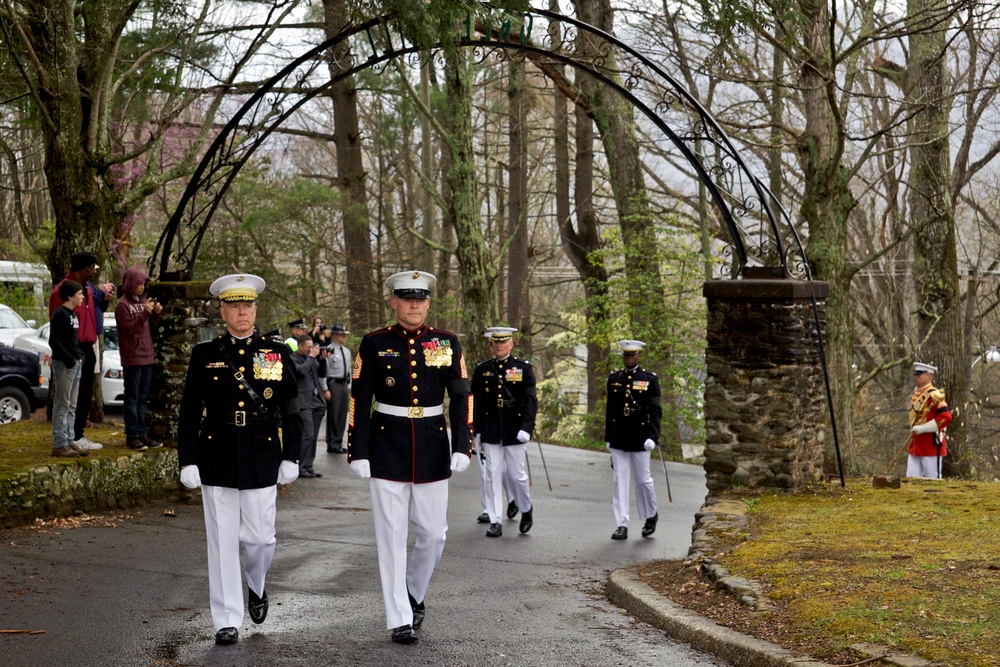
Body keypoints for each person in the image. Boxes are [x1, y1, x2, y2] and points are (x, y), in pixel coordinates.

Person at [177, 273, 303, 646]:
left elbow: (292, 410)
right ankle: (227, 618)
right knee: (221, 541)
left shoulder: (276, 353)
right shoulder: (205, 354)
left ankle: (256, 583)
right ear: (222, 310)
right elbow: (188, 413)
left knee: (261, 539)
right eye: (234, 306)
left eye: (247, 305)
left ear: (256, 308)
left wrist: (291, 455)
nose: (242, 312)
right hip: (216, 454)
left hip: (262, 451)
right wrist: (188, 460)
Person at [347, 270, 473, 644]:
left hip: (433, 444)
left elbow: (461, 396)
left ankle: (413, 592)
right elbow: (359, 399)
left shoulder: (447, 342)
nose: (414, 305)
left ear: (428, 303)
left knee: (434, 536)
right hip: (386, 445)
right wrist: (358, 449)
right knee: (390, 535)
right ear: (394, 302)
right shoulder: (373, 343)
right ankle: (398, 616)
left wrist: (463, 444)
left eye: (421, 299)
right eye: (407, 299)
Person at [471, 326, 538, 537]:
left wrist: (527, 428)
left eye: (503, 342)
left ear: (511, 343)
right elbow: (476, 402)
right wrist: (475, 431)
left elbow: (530, 401)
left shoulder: (523, 369)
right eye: (495, 342)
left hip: (515, 430)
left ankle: (526, 509)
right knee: (491, 475)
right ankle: (495, 519)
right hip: (491, 430)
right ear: (491, 345)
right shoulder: (482, 369)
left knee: (517, 476)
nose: (499, 346)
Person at [48, 251, 106, 451]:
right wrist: (69, 356)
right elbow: (57, 328)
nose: (93, 272)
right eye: (91, 268)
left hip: (86, 348)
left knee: (81, 396)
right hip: (71, 350)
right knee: (66, 400)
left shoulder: (87, 289)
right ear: (82, 268)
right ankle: (63, 439)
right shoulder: (62, 291)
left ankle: (75, 435)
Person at [604, 340, 661, 541]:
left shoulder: (649, 379)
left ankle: (650, 515)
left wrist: (653, 436)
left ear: (638, 356)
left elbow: (655, 412)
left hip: (640, 437)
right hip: (619, 437)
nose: (629, 358)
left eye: (632, 355)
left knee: (643, 480)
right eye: (626, 355)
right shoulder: (614, 379)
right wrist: (608, 438)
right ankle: (622, 524)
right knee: (620, 481)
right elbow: (610, 411)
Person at [114, 268, 164, 451]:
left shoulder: (144, 301)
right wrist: (144, 313)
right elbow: (128, 330)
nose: (143, 288)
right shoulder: (122, 306)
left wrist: (156, 313)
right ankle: (132, 435)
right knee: (132, 398)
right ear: (131, 285)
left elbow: (150, 326)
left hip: (146, 355)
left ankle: (142, 433)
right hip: (132, 357)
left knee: (142, 398)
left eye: (144, 284)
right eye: (140, 284)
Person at [49, 280, 87, 458]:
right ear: (70, 296)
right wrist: (70, 360)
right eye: (79, 294)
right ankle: (59, 443)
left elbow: (72, 341)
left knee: (72, 405)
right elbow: (54, 341)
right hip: (65, 365)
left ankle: (70, 439)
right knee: (62, 404)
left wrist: (80, 356)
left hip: (75, 363)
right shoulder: (60, 314)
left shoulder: (74, 315)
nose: (82, 297)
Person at [290, 334, 330, 478]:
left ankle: (308, 465)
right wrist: (311, 357)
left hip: (316, 399)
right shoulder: (293, 359)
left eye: (312, 346)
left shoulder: (311, 358)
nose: (310, 349)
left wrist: (323, 360)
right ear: (300, 346)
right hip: (303, 402)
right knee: (307, 434)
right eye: (308, 347)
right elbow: (301, 372)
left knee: (313, 436)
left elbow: (320, 373)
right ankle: (300, 467)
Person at [908, 362, 952, 479]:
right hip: (916, 443)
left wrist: (923, 428)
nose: (915, 377)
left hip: (931, 444)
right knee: (911, 479)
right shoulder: (917, 393)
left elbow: (946, 417)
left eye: (919, 374)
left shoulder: (935, 395)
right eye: (915, 374)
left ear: (928, 376)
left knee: (932, 479)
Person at [324, 322, 351, 454]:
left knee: (342, 414)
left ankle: (339, 441)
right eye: (341, 335)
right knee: (333, 414)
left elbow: (349, 370)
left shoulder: (346, 351)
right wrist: (325, 388)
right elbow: (325, 370)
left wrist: (349, 386)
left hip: (343, 384)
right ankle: (332, 442)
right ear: (334, 335)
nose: (343, 337)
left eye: (344, 334)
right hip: (333, 384)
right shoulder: (329, 350)